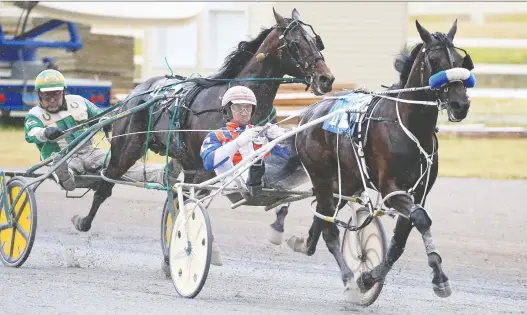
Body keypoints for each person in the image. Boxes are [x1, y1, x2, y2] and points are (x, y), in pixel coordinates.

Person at [24, 69, 181, 191]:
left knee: (120, 163)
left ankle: (162, 175)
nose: (52, 100)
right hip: (59, 157)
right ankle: (66, 176)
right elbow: (31, 134)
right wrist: (45, 133)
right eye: (47, 96)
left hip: (90, 152)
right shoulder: (34, 115)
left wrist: (106, 121)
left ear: (63, 91)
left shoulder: (79, 102)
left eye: (56, 95)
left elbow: (102, 116)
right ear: (39, 95)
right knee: (63, 165)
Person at [200, 85, 290, 193]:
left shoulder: (260, 131)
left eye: (248, 107)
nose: (244, 112)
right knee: (257, 166)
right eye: (238, 107)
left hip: (267, 176)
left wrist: (282, 140)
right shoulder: (216, 135)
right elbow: (208, 163)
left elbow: (285, 157)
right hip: (235, 182)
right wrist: (237, 143)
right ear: (227, 110)